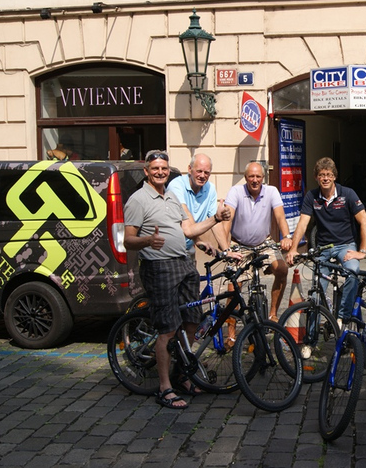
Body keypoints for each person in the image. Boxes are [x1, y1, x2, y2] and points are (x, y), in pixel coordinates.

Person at [124, 150, 231, 410]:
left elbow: (188, 230)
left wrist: (213, 229)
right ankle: (165, 388)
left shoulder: (172, 197)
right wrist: (148, 240)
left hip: (184, 263)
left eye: (164, 168)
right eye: (155, 168)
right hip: (159, 267)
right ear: (147, 171)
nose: (160, 172)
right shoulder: (138, 200)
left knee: (192, 321)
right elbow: (128, 240)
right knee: (168, 328)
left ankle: (183, 376)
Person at [286, 157, 366, 326]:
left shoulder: (347, 194)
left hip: (345, 245)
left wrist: (362, 252)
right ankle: (311, 338)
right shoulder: (312, 196)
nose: (325, 178)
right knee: (316, 291)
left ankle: (342, 317)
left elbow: (365, 223)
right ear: (316, 177)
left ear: (334, 177)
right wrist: (293, 249)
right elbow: (303, 223)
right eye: (321, 175)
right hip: (323, 248)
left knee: (352, 272)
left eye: (328, 174)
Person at [219, 161, 293, 321]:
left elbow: (280, 216)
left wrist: (286, 236)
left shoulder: (271, 191)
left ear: (263, 178)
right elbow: (227, 221)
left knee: (282, 270)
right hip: (239, 244)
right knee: (234, 287)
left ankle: (273, 314)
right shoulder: (236, 192)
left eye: (258, 176)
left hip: (264, 243)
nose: (255, 180)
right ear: (245, 177)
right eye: (251, 176)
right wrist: (226, 248)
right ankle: (231, 335)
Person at [166, 153, 226, 257]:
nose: (202, 176)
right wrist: (198, 240)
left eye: (206, 172)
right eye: (199, 171)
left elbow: (216, 224)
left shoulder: (210, 188)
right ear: (189, 169)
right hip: (169, 251)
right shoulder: (176, 186)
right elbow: (187, 221)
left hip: (188, 248)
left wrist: (227, 250)